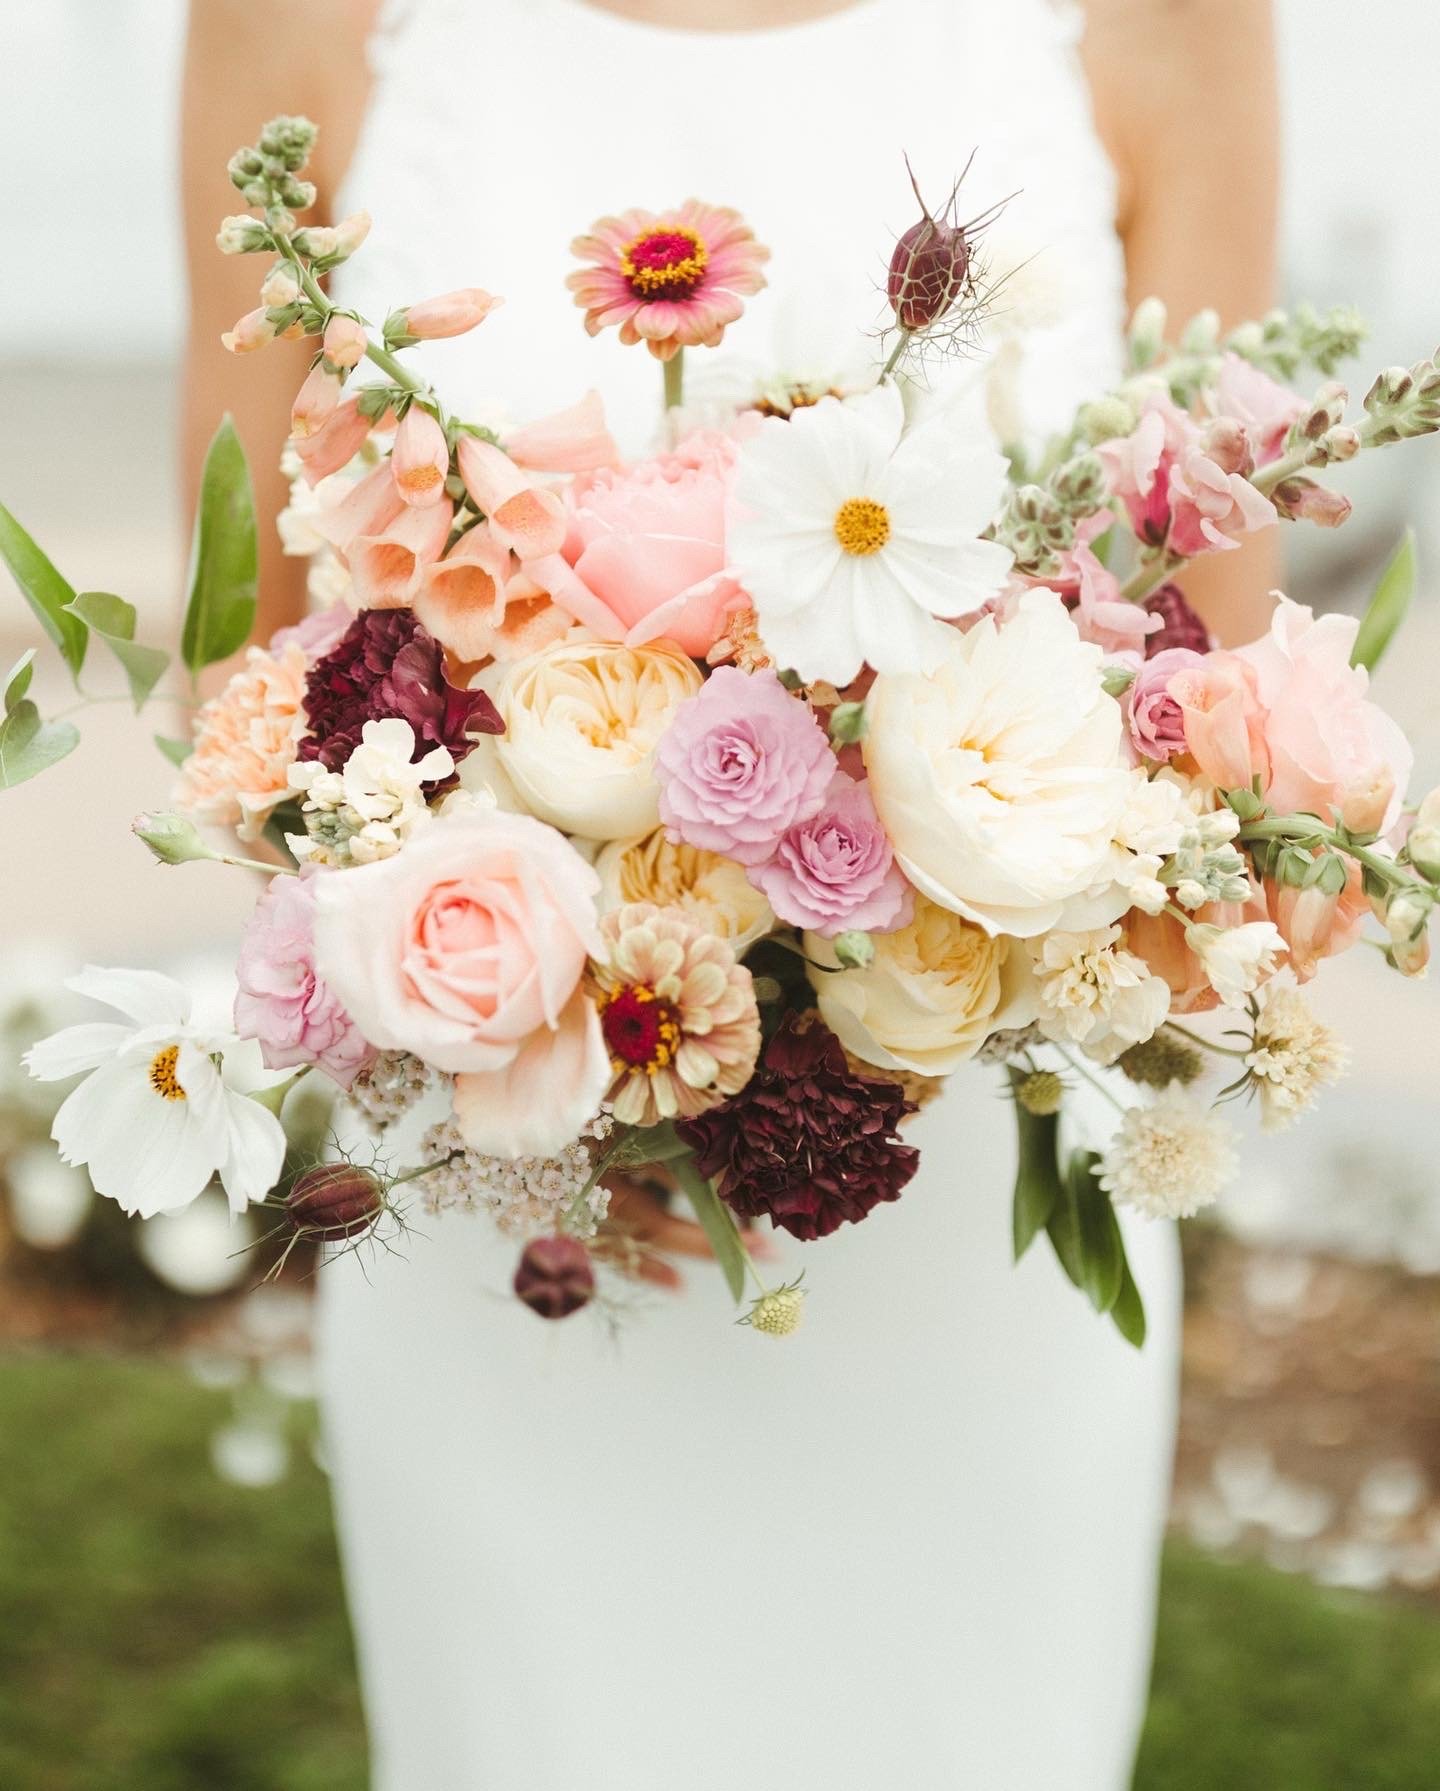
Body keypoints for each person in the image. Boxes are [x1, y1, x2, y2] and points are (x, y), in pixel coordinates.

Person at [181, 3, 1279, 1785]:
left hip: (960, 1236)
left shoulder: (1174, 25)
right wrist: (536, 1097)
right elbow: (240, 687)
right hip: (515, 1228)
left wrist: (947, 968)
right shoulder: (294, 23)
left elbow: (1206, 669)